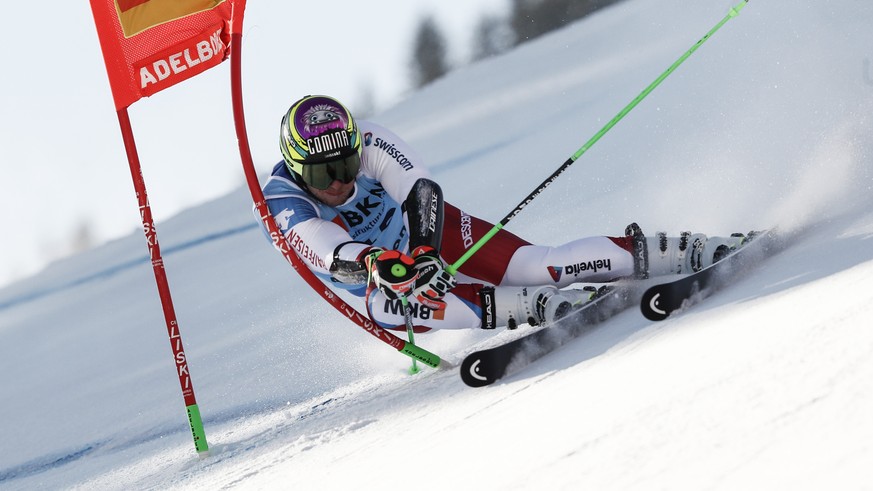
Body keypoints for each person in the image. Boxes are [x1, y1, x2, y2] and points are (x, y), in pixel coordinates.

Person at [260, 95, 748, 332]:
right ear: (300, 170)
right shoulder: (283, 202)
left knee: (541, 265)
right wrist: (378, 264)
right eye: (325, 176)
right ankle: (527, 309)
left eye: (345, 163)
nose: (341, 180)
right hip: (381, 279)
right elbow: (328, 254)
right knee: (390, 304)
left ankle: (681, 250)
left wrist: (426, 247)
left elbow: (420, 187)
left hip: (426, 233)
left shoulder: (367, 137)